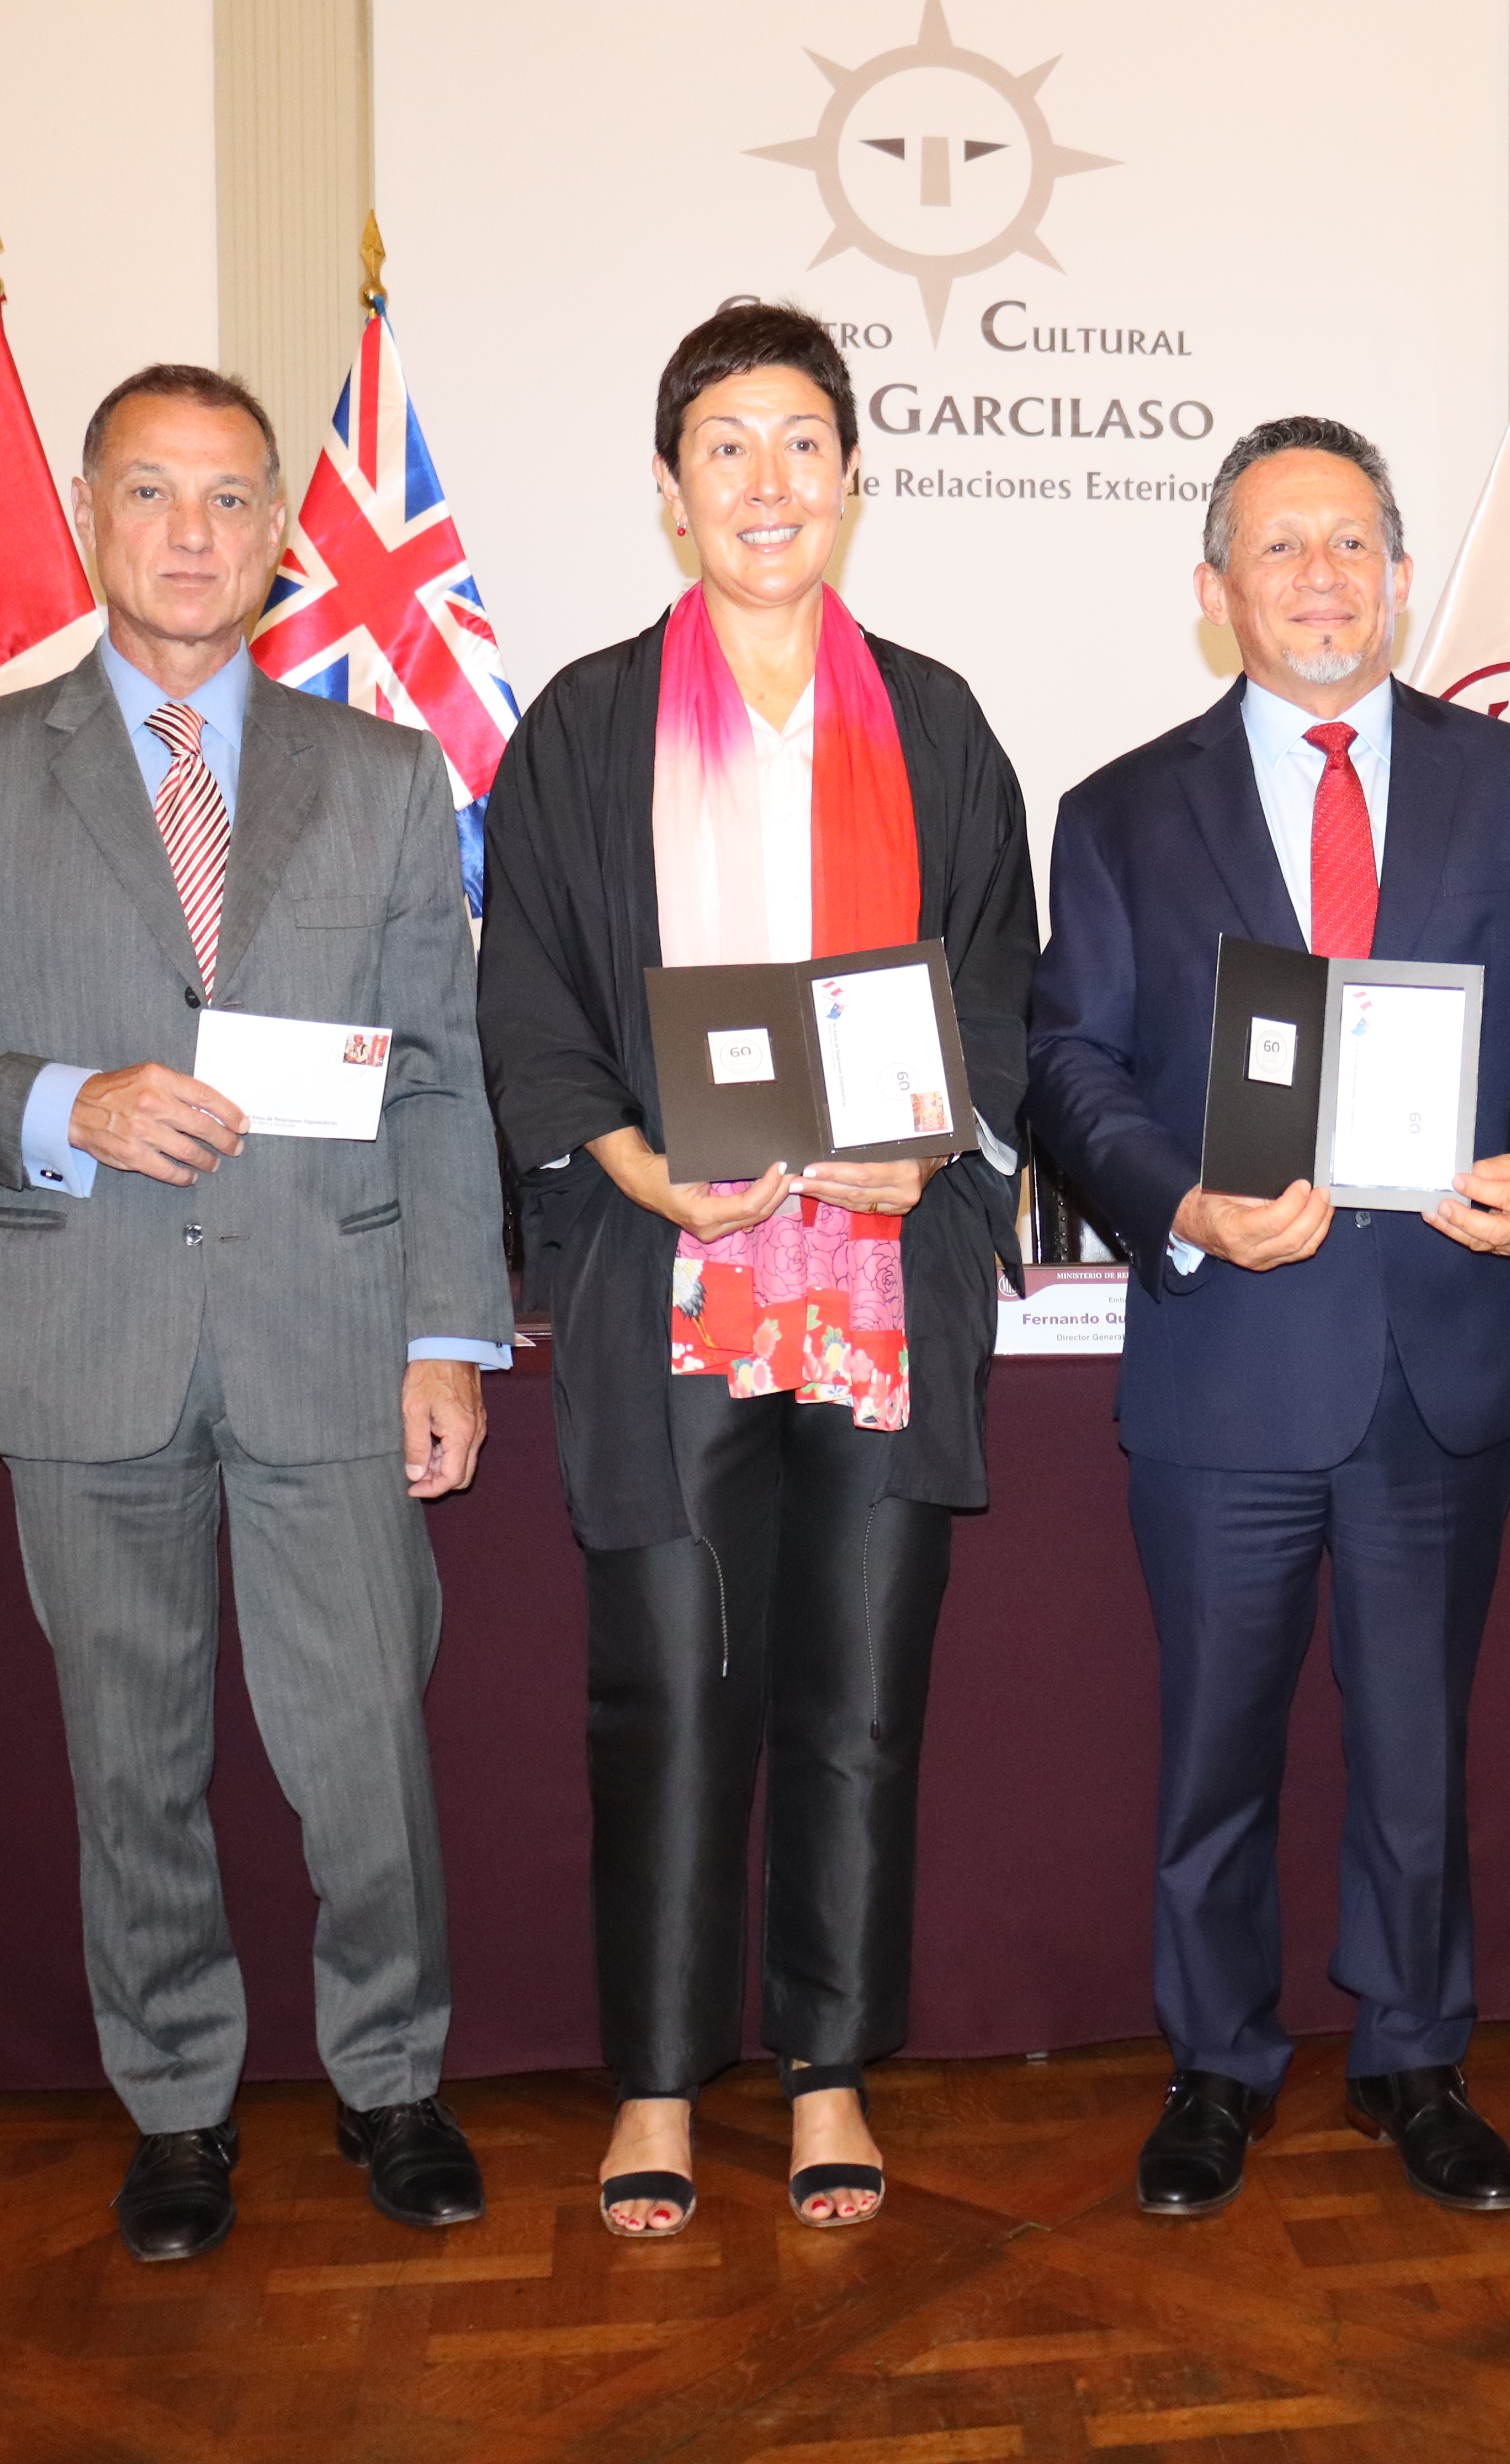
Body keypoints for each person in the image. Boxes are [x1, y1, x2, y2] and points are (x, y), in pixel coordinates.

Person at [0, 366, 509, 2262]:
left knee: (363, 1741)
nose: (192, 535)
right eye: (152, 494)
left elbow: (441, 1074)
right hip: (87, 1340)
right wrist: (61, 1102)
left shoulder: (376, 778)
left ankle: (390, 2085)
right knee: (132, 1760)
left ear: (285, 532)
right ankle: (180, 2110)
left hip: (333, 1337)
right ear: (93, 515)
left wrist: (448, 1331)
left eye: (228, 499)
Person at [476, 302, 1034, 2239]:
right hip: (674, 1277)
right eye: (729, 447)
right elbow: (529, 996)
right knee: (667, 1685)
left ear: (855, 482)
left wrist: (924, 1139)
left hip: (880, 1290)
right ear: (668, 492)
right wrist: (635, 1163)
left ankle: (825, 2068)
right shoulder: (587, 727)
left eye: (804, 443)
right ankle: (649, 2082)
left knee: (860, 1696)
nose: (769, 483)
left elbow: (1000, 993)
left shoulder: (938, 723)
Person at [1025, 416, 1510, 2218]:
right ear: (1216, 594)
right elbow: (1069, 1067)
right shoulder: (1124, 810)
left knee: (1419, 1750)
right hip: (1231, 1358)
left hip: (1440, 1351)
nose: (1321, 578)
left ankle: (1416, 2059)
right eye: (1280, 548)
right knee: (1216, 1747)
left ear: (1402, 574)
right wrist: (1181, 1204)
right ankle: (1217, 2064)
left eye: (1353, 543)